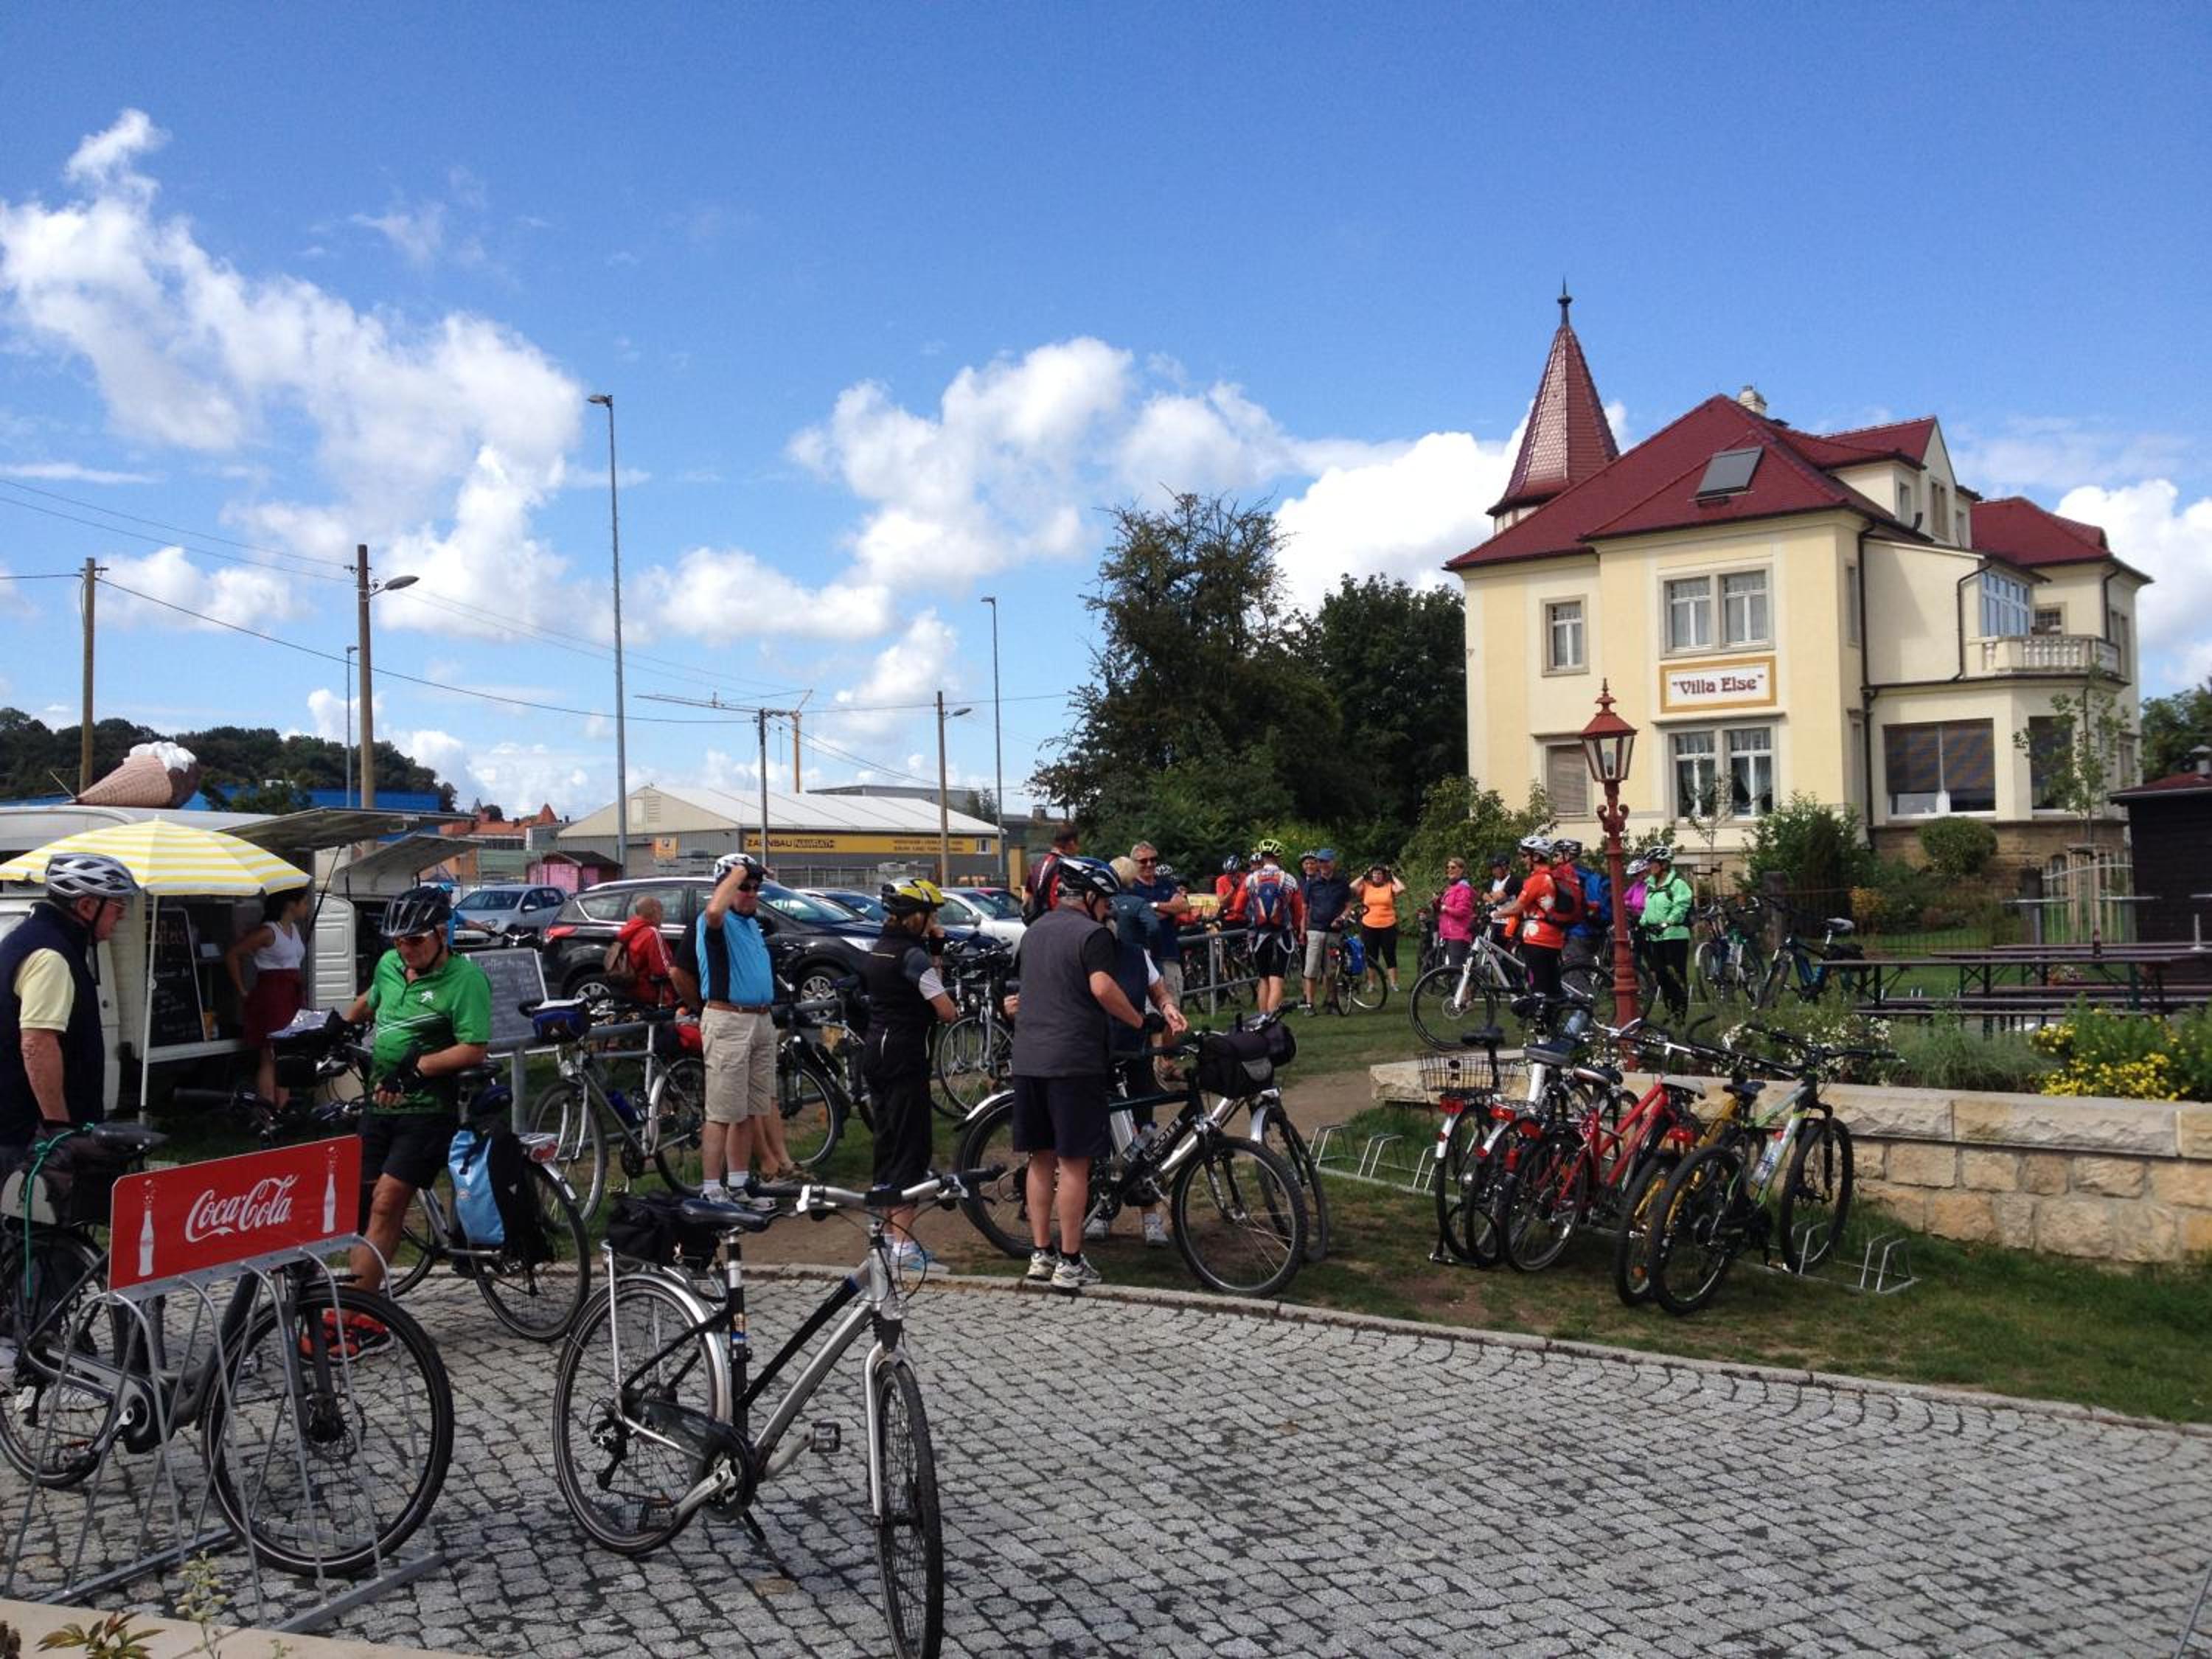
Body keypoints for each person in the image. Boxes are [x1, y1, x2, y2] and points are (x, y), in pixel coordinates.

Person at [338, 886, 492, 1326]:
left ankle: (348, 1316)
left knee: (387, 1203)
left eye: (415, 940)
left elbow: (474, 1048)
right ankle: (369, 1312)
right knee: (363, 1204)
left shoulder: (465, 981)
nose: (405, 948)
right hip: (379, 1104)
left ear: (442, 933)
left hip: (428, 1109)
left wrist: (418, 1068)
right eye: (398, 940)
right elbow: (371, 1001)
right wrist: (334, 1029)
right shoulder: (391, 965)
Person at [1007, 855, 1152, 1294]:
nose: (1108, 910)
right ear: (1088, 897)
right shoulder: (1093, 935)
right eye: (1105, 901)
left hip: (1028, 1058)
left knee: (1040, 1159)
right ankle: (1070, 1261)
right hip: (1072, 1060)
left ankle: (1041, 1254)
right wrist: (1139, 1020)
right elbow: (1102, 988)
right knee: (1074, 1164)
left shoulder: (1034, 932)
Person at [0, 854, 139, 1161]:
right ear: (86, 906)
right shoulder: (50, 955)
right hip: (25, 1135)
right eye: (118, 907)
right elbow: (37, 1044)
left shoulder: (30, 937)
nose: (121, 917)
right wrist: (59, 1130)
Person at [671, 852, 792, 1197]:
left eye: (755, 888)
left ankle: (739, 1185)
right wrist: (738, 872)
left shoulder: (751, 924)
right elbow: (713, 912)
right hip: (730, 1019)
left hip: (759, 1019)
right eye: (744, 887)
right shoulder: (715, 922)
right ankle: (712, 1189)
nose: (751, 893)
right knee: (722, 1112)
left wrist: (748, 876)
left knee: (749, 1111)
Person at [857, 879, 960, 1266]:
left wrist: (934, 948)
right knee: (910, 1147)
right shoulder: (912, 956)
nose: (933, 921)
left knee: (886, 1142)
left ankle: (886, 1237)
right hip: (905, 1054)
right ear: (914, 916)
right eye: (930, 915)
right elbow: (945, 1009)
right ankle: (904, 1245)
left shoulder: (879, 948)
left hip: (876, 1050)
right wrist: (936, 954)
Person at [227, 887, 311, 1107]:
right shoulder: (267, 931)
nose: (307, 907)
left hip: (291, 993)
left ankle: (281, 1106)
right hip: (273, 993)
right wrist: (242, 990)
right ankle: (267, 1108)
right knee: (271, 1054)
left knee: (286, 1054)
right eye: (304, 902)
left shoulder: (294, 928)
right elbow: (234, 954)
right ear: (291, 905)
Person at [1493, 836, 1568, 999]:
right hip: (1553, 937)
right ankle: (1560, 1013)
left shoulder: (1537, 879)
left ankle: (1547, 1012)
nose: (1522, 860)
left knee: (1538, 990)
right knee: (1552, 990)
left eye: (1524, 856)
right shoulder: (1550, 876)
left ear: (1536, 856)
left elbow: (1517, 907)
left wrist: (1495, 914)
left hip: (1538, 939)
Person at [1240, 840, 1304, 1016]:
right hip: (1283, 933)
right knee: (1277, 979)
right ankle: (1272, 1021)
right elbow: (1299, 911)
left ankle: (1262, 1019)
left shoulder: (1251, 879)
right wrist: (1295, 927)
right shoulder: (1289, 879)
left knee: (1263, 979)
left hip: (1260, 933)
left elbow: (1238, 907)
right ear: (1278, 857)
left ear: (1262, 858)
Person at [1127, 843, 1190, 1006]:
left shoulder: (1166, 883)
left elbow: (1183, 906)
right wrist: (1170, 909)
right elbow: (1139, 918)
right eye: (1143, 861)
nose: (1149, 864)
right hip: (1143, 958)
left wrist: (1154, 906)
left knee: (1174, 1007)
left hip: (1169, 955)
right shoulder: (1129, 888)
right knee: (1148, 1011)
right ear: (1133, 863)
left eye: (1153, 859)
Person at [1639, 846, 1694, 1020]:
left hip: (1674, 936)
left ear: (1663, 864)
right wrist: (1642, 922)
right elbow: (1648, 909)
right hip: (1655, 937)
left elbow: (1681, 906)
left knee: (1675, 975)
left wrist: (1668, 922)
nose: (1649, 866)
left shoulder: (1677, 884)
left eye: (1652, 863)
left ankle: (1680, 1015)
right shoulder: (1650, 886)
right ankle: (1670, 1011)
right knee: (1661, 976)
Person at [1298, 849, 1353, 1015]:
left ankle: (1331, 1002)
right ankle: (1310, 1004)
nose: (1323, 865)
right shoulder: (1312, 883)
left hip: (1334, 932)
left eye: (1326, 862)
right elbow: (1304, 908)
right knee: (1311, 969)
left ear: (1333, 863)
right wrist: (1302, 930)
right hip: (1315, 930)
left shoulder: (1342, 883)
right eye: (1320, 862)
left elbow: (1348, 906)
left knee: (1331, 971)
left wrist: (1342, 918)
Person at [1559, 839, 1610, 987]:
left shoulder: (1568, 876)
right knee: (1583, 972)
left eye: (1556, 855)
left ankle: (1582, 1002)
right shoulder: (1588, 874)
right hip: (1594, 928)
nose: (1554, 859)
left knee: (1575, 978)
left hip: (1577, 931)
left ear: (1567, 855)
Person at [613, 893, 677, 1009]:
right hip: (650, 993)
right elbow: (662, 969)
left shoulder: (628, 931)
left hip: (630, 989)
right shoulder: (652, 933)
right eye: (661, 912)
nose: (662, 917)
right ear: (655, 911)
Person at [1354, 862, 1408, 992]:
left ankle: (1393, 983)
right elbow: (1352, 886)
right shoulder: (1366, 886)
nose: (1377, 876)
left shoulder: (1389, 886)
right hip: (1369, 925)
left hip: (1388, 925)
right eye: (1374, 874)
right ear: (1371, 875)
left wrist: (1392, 875)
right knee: (1371, 955)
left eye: (1379, 874)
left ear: (1383, 876)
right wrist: (1364, 874)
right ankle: (1371, 984)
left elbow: (1402, 888)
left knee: (1389, 954)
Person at [1022, 824, 1081, 923]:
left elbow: (1026, 901)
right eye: (1078, 844)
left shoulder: (1036, 866)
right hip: (1059, 923)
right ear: (1071, 843)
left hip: (1037, 924)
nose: (1079, 848)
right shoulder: (1067, 867)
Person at [1435, 858, 1478, 969]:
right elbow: (1444, 908)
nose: (1449, 870)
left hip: (1458, 935)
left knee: (1456, 971)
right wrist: (1437, 902)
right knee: (1449, 971)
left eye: (1453, 867)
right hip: (1448, 934)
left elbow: (1462, 911)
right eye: (1448, 867)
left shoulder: (1464, 889)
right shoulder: (1452, 888)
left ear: (1461, 870)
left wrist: (1445, 908)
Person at [1484, 852, 1523, 955]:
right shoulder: (1492, 882)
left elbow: (1501, 897)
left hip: (1510, 922)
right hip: (1495, 920)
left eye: (1496, 868)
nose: (1493, 871)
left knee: (1506, 953)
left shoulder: (1514, 880)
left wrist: (1493, 897)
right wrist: (1494, 898)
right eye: (1492, 868)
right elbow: (1484, 895)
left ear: (1504, 867)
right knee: (1492, 951)